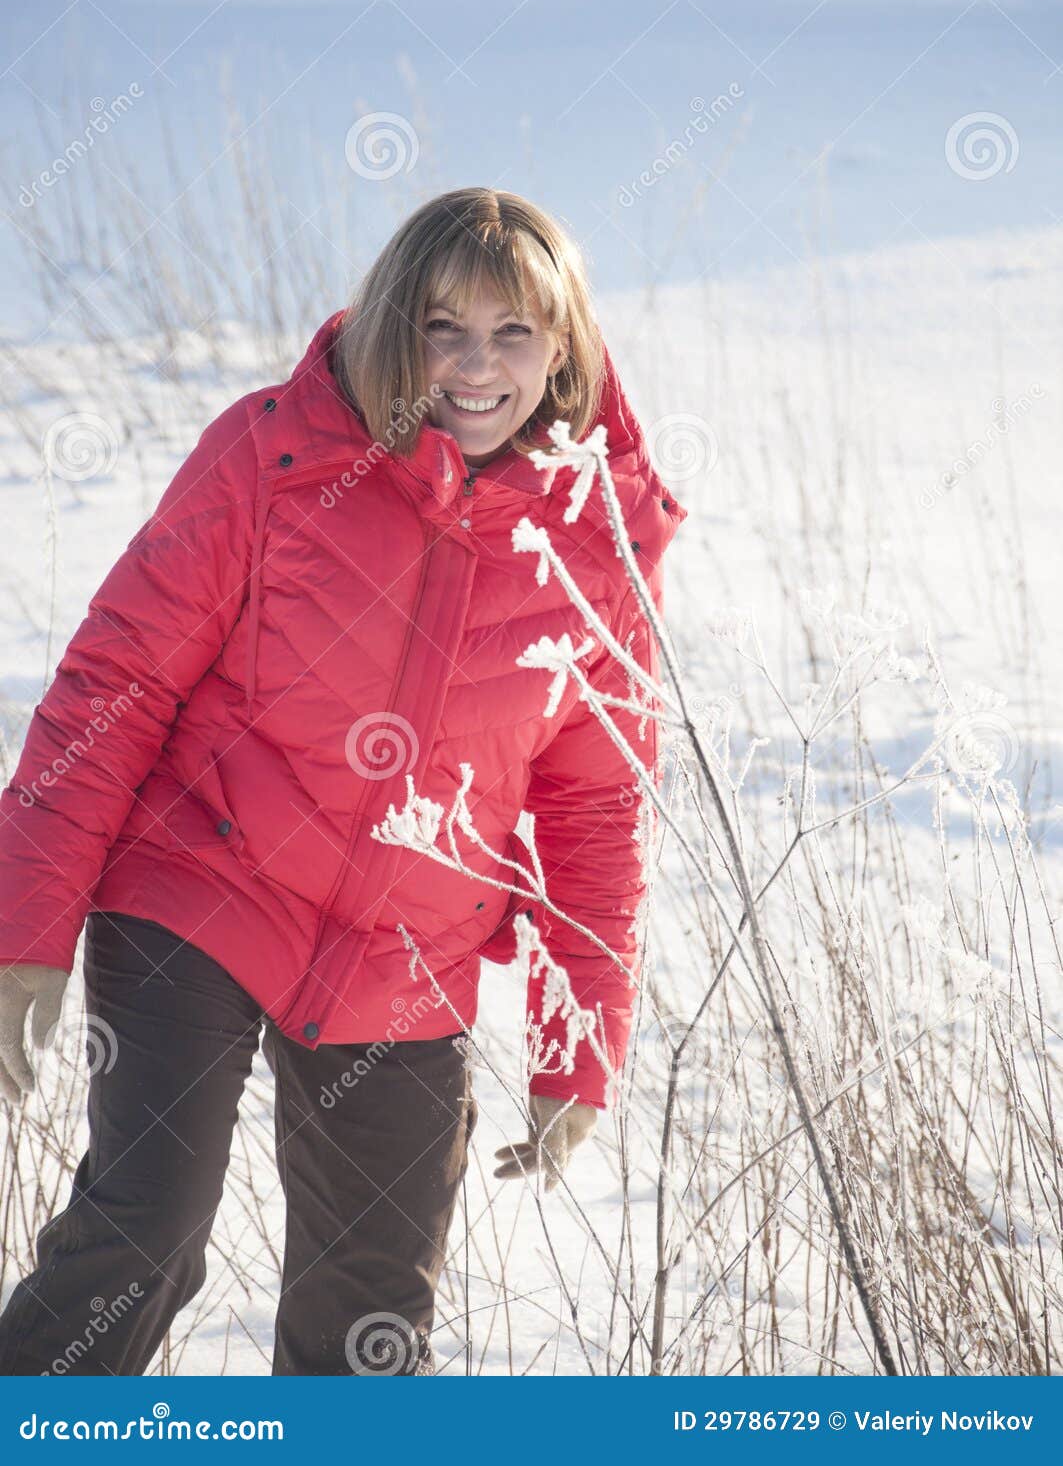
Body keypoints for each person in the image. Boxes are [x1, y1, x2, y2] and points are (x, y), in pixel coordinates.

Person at [0, 187, 686, 1376]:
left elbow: (596, 807)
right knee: (146, 1228)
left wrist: (584, 1042)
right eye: (441, 328)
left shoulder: (593, 537)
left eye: (513, 333)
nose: (476, 366)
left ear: (563, 347)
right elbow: (117, 682)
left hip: (407, 953)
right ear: (390, 327)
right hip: (203, 884)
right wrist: (28, 921)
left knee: (369, 1326)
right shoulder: (276, 451)